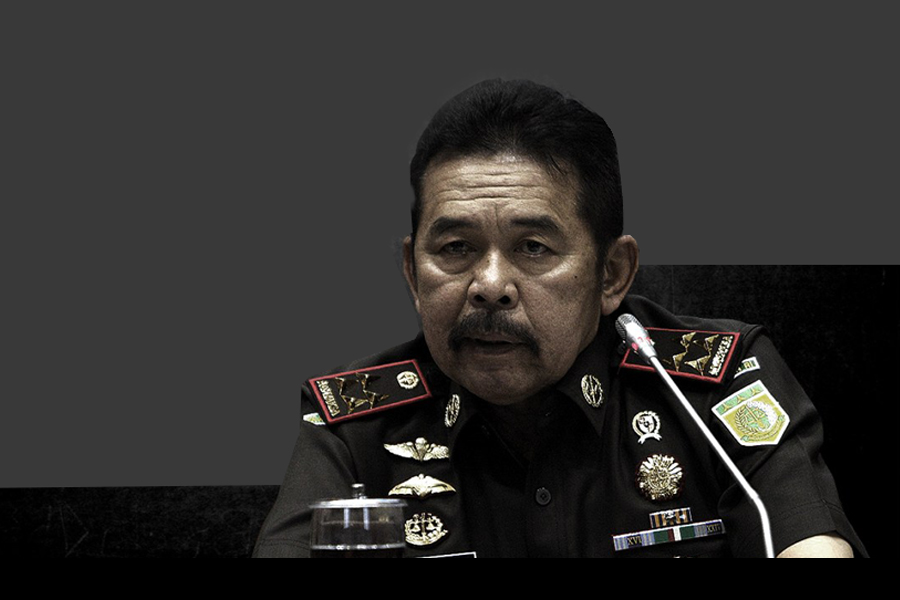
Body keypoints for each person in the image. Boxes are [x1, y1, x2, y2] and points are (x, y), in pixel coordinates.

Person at [253, 79, 866, 558]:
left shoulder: (711, 383)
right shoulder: (354, 425)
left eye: (533, 248)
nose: (490, 286)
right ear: (414, 274)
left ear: (612, 275)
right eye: (456, 248)